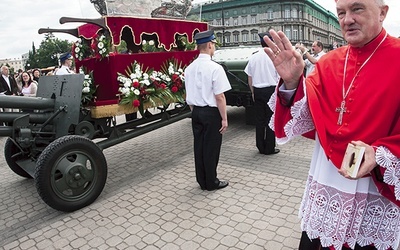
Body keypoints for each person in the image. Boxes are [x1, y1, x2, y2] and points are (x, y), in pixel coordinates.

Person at [262, 0, 400, 249]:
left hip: (373, 192)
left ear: (382, 12)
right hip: (326, 188)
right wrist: (293, 83)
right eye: (341, 12)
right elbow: (307, 117)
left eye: (357, 9)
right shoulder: (326, 63)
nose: (347, 20)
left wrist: (380, 153)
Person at [184, 30, 231, 191]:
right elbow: (220, 97)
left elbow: (188, 95)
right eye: (214, 45)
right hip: (211, 113)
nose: (214, 47)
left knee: (199, 146)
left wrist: (195, 110)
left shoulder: (189, 68)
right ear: (210, 45)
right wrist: (224, 118)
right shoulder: (215, 68)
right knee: (211, 148)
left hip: (196, 111)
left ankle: (201, 180)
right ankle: (211, 182)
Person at [244, 32, 280, 155]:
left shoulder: (254, 57)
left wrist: (253, 92)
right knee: (270, 119)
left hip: (258, 90)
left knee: (259, 120)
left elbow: (250, 77)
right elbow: (279, 77)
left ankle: (260, 145)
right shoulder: (274, 56)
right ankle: (269, 147)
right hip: (271, 90)